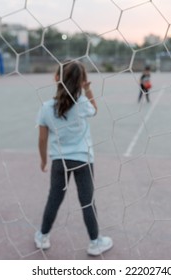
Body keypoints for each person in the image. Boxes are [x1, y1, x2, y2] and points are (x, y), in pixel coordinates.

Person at [35, 60, 113, 256]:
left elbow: (42, 139)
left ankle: (43, 236)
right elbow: (95, 110)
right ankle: (95, 243)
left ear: (55, 78)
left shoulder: (46, 107)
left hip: (59, 161)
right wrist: (88, 91)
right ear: (81, 82)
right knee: (87, 202)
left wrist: (44, 160)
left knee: (54, 198)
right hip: (83, 160)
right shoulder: (82, 104)